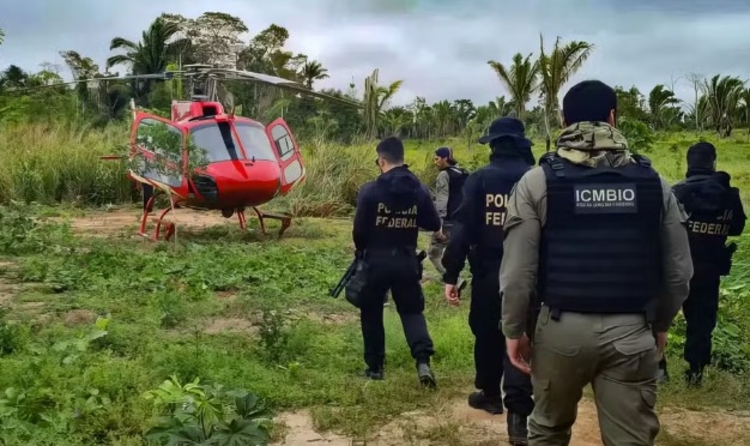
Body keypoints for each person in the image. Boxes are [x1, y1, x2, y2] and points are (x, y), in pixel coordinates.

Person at [499, 79, 694, 445]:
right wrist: (661, 324)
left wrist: (513, 330)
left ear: (563, 121)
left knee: (547, 431)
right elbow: (679, 271)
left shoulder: (537, 182)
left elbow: (517, 274)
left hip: (560, 331)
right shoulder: (654, 183)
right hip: (632, 330)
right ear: (612, 118)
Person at [441, 117, 536, 445]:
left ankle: (491, 394)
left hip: (488, 272)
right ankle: (520, 414)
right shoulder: (536, 178)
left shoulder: (479, 180)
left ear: (493, 145)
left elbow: (461, 232)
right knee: (523, 336)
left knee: (486, 332)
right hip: (531, 274)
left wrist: (450, 274)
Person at [352, 136, 442, 387]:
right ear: (402, 159)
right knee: (412, 311)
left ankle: (375, 368)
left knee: (371, 312)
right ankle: (423, 361)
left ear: (381, 160)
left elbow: (360, 231)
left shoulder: (369, 190)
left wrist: (362, 251)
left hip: (376, 261)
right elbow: (433, 224)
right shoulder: (419, 189)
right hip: (406, 261)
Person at [657, 142, 746, 386]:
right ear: (713, 163)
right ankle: (695, 374)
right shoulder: (729, 194)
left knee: (661, 317)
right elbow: (737, 228)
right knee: (702, 323)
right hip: (709, 269)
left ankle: (660, 366)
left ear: (689, 163)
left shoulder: (677, 193)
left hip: (676, 268)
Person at [428, 147, 469, 290]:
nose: (435, 162)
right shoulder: (463, 173)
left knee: (434, 253)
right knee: (456, 251)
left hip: (447, 220)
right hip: (462, 221)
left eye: (437, 158)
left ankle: (455, 280)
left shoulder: (443, 175)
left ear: (445, 158)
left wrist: (438, 224)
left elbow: (442, 201)